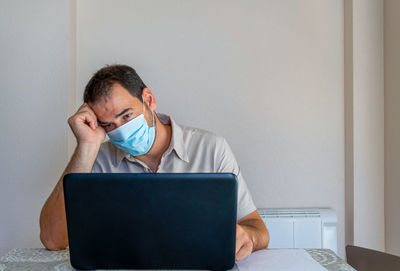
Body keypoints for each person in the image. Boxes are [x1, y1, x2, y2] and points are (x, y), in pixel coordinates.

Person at [39, 64, 269, 262]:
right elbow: (53, 239)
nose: (120, 130)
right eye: (108, 125)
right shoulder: (95, 159)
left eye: (126, 116)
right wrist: (87, 146)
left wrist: (248, 237)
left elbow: (258, 229)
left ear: (148, 99)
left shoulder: (210, 148)